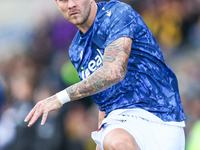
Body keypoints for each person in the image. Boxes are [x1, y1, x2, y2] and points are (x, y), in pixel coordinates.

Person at [24, 0, 186, 149]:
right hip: (120, 119)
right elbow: (104, 100)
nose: (71, 4)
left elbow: (114, 71)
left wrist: (60, 98)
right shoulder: (76, 50)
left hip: (163, 116)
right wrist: (100, 144)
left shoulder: (117, 13)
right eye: (64, 0)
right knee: (120, 144)